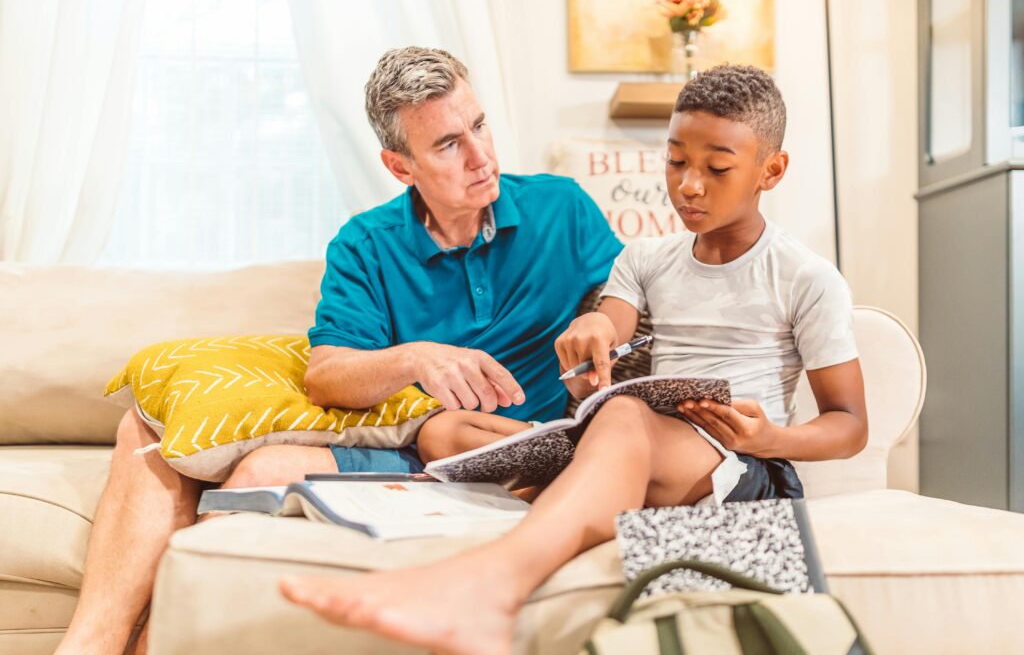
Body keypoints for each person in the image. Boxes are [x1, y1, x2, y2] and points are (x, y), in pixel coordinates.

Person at [278, 64, 870, 655]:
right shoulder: (647, 259)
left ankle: (489, 588)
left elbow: (849, 425)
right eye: (675, 162)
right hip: (649, 446)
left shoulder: (805, 277)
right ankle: (591, 483)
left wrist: (768, 438)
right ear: (400, 165)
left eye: (716, 169)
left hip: (740, 461)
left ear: (772, 170)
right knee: (445, 430)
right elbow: (611, 316)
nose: (690, 186)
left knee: (621, 418)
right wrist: (592, 326)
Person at [55, 46, 620, 655]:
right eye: (448, 144)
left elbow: (631, 292)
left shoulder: (562, 207)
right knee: (147, 430)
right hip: (414, 446)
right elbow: (327, 377)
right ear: (400, 167)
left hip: (513, 447)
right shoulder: (365, 244)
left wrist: (603, 324)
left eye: (478, 126)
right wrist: (416, 357)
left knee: (260, 471)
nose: (481, 158)